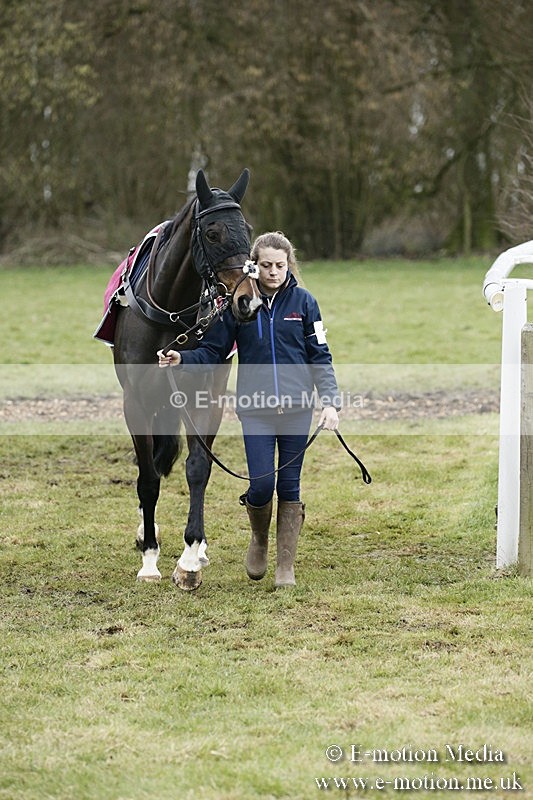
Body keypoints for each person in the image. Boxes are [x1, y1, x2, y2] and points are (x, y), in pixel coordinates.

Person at [158, 231, 340, 587]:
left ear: (289, 266)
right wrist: (183, 358)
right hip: (255, 410)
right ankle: (258, 540)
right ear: (254, 266)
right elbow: (213, 351)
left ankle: (285, 565)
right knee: (260, 485)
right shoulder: (239, 308)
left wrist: (331, 401)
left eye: (280, 265)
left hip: (297, 409)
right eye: (267, 265)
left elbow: (321, 355)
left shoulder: (305, 303)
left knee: (290, 486)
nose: (274, 272)